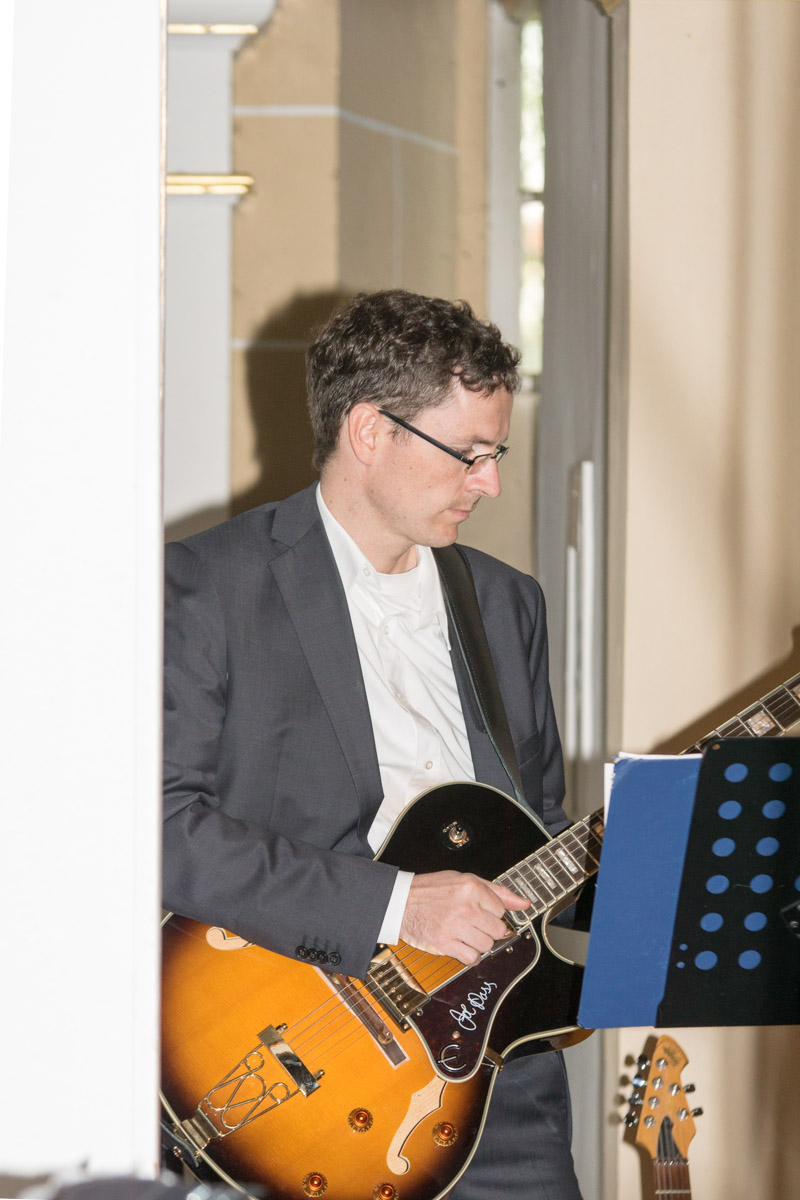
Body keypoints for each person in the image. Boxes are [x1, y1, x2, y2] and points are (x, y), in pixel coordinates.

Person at [162, 289, 583, 1200]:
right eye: (469, 454)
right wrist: (396, 908)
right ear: (368, 431)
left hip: (499, 1084)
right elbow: (161, 827)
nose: (490, 484)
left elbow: (540, 828)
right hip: (305, 1077)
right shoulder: (204, 586)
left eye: (497, 454)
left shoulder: (508, 604)